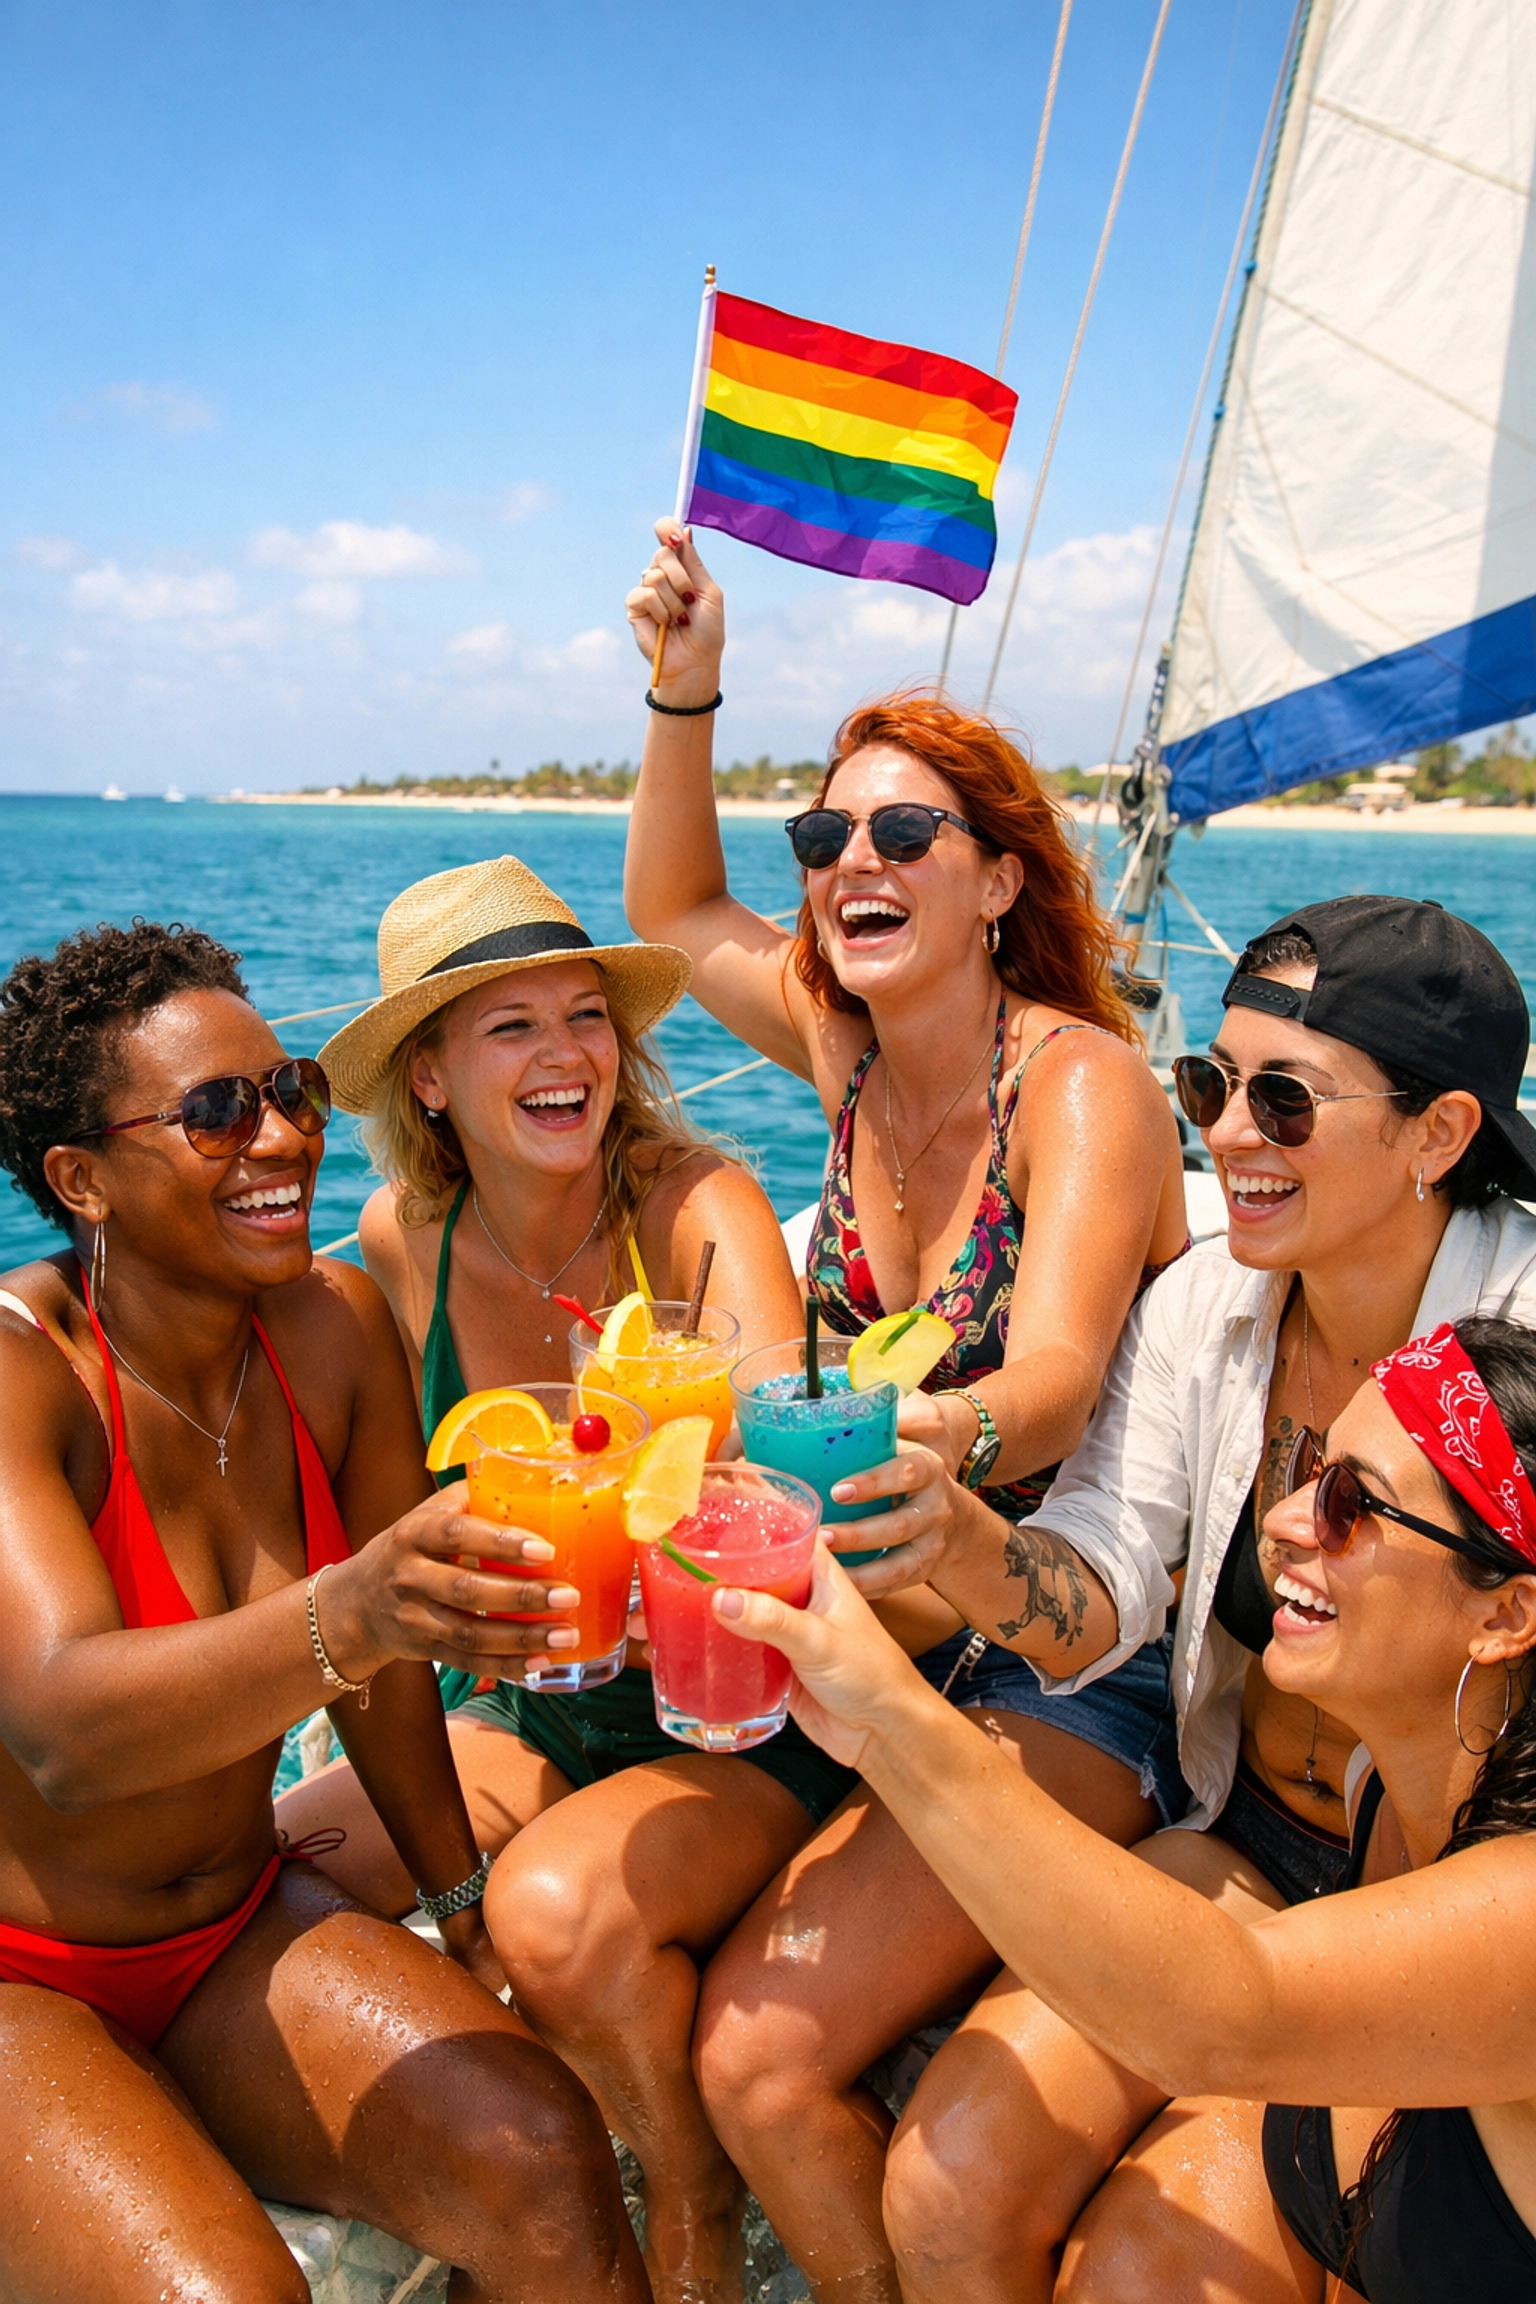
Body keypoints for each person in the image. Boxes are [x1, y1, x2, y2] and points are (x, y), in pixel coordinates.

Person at [622, 523, 1192, 2290]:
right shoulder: (846, 1043)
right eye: (825, 838)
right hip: (880, 1614)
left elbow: (1057, 1380)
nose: (845, 862)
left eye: (898, 832)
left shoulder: (1082, 1083)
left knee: (759, 2050)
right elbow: (668, 910)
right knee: (627, 1938)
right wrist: (684, 686)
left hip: (1066, 1647)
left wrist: (914, 1434)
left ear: (1000, 881)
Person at [273, 853, 951, 2304]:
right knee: (287, 1870)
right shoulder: (404, 1242)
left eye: (584, 1016)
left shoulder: (696, 1204)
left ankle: (690, 2191)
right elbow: (366, 1496)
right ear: (434, 1078)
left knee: (555, 1915)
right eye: (509, 1027)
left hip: (743, 1698)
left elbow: (791, 1500)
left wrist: (665, 1569)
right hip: (527, 1697)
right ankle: (499, 2165)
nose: (566, 1053)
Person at [850, 896, 1536, 2302]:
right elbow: (1101, 1582)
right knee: (946, 2180)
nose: (1226, 1137)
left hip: (1463, 1912)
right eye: (1210, 1086)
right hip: (1251, 1834)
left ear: (1441, 1135)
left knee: (1150, 2276)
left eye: (1284, 1101)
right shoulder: (1209, 1301)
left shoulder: (1523, 1348)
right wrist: (949, 1529)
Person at [0, 920, 648, 2303]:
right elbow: (61, 1725)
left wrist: (458, 1899)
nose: (283, 1138)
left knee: (546, 2154)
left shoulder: (333, 1325)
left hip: (230, 1928)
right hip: (21, 1979)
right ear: (81, 1180)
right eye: (219, 1113)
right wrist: (351, 1610)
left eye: (290, 1089)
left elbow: (391, 1675)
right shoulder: (21, 1377)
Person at [717, 1311, 1536, 2303]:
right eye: (1311, 1477)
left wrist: (887, 1720)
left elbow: (1222, 2016)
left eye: (1353, 1508)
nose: (1281, 1523)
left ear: (1506, 1615)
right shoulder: (1396, 1797)